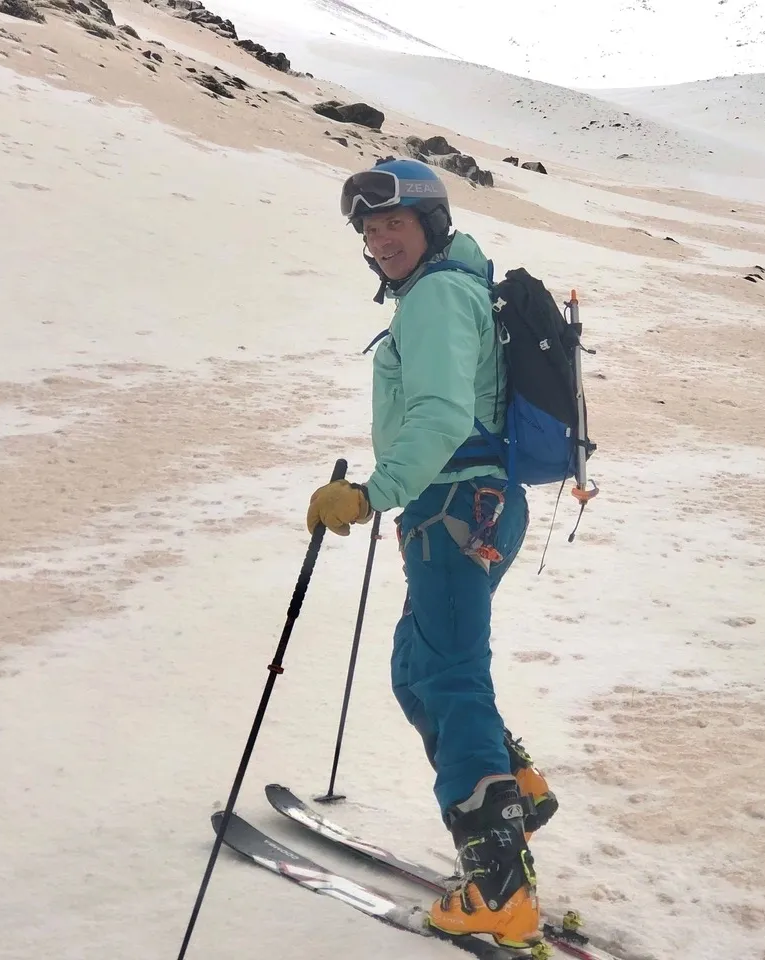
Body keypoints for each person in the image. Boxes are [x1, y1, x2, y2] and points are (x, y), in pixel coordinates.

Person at [304, 158, 558, 949]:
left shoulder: (440, 294)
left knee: (448, 677)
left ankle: (499, 891)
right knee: (419, 669)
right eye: (371, 229)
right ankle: (514, 787)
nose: (381, 240)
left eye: (395, 224)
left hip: (458, 504)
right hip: (458, 507)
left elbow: (444, 413)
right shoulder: (442, 290)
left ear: (431, 225)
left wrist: (372, 492)